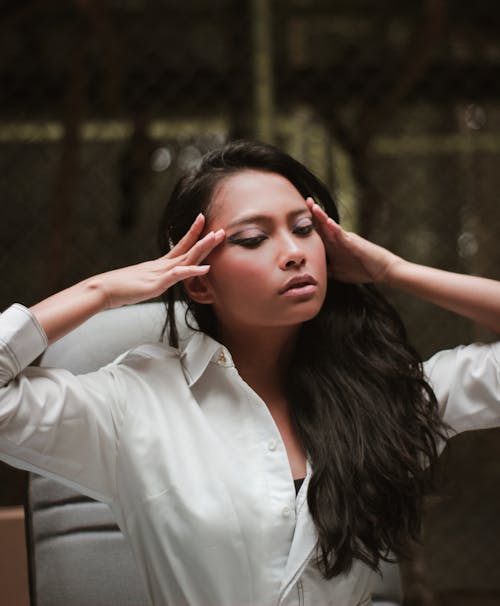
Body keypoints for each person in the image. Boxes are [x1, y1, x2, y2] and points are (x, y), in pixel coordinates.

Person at [1, 139, 499, 606]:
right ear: (199, 283)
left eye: (304, 229)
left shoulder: (389, 396)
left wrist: (394, 270)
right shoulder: (134, 403)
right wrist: (100, 292)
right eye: (254, 238)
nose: (294, 252)